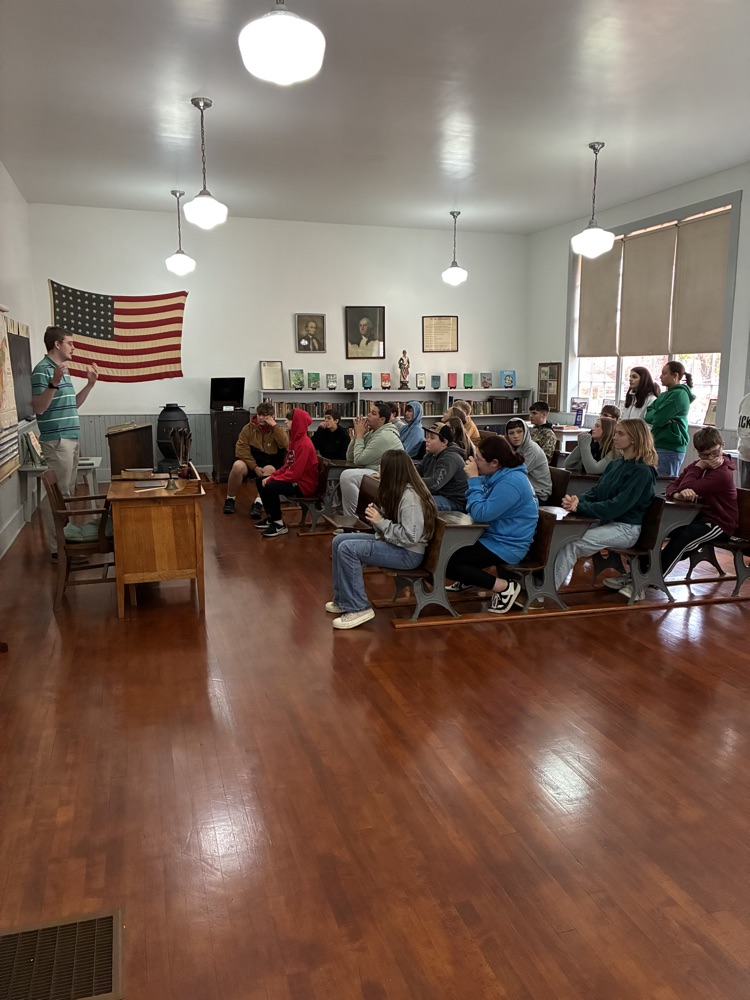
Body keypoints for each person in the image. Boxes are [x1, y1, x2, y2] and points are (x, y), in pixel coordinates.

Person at [605, 426, 738, 592]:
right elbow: (673, 485)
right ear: (697, 452)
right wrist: (677, 494)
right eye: (705, 455)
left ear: (722, 445)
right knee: (657, 530)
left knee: (684, 538)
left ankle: (647, 582)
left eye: (714, 452)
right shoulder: (698, 466)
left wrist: (700, 465)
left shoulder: (722, 473)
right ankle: (637, 575)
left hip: (720, 523)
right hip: (697, 517)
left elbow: (688, 485)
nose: (711, 458)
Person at [327, 450, 437, 629]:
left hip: (408, 554)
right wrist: (377, 517)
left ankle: (359, 607)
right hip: (395, 545)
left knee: (348, 549)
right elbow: (390, 526)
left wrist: (381, 521)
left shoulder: (410, 498)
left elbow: (410, 537)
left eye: (381, 466)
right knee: (339, 541)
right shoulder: (397, 490)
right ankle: (344, 600)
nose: (378, 469)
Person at [554, 419, 658, 595]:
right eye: (615, 432)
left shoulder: (642, 471)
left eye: (620, 433)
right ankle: (540, 583)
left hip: (626, 527)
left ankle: (545, 590)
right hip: (608, 521)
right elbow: (596, 493)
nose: (614, 437)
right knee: (560, 535)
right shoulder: (616, 464)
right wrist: (576, 500)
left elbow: (617, 507)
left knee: (570, 544)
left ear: (634, 438)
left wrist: (580, 507)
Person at [444, 434, 537, 614]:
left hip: (507, 545)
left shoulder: (512, 482)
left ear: (494, 462)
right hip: (492, 536)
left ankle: (504, 587)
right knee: (447, 550)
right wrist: (476, 482)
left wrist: (473, 479)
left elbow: (480, 513)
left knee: (449, 562)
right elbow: (473, 506)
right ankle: (470, 579)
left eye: (478, 459)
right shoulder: (496, 475)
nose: (474, 462)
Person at [31, 326, 99, 558]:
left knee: (67, 494)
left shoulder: (63, 371)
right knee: (58, 496)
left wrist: (89, 385)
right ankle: (58, 550)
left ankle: (67, 544)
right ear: (57, 344)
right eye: (70, 343)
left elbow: (73, 405)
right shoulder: (43, 370)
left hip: (71, 438)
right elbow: (39, 408)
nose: (73, 347)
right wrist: (53, 382)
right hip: (57, 440)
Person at [253, 409, 319, 538]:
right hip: (296, 481)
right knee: (260, 481)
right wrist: (273, 476)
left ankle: (279, 524)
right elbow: (288, 466)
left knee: (271, 487)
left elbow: (295, 474)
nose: (285, 421)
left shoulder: (304, 444)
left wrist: (273, 479)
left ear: (297, 423)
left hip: (304, 485)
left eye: (289, 419)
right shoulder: (295, 441)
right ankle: (272, 517)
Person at [224, 402, 289, 516]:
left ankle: (258, 503)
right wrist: (254, 467)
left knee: (269, 470)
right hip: (251, 462)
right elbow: (241, 449)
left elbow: (285, 444)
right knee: (237, 466)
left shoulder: (277, 429)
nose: (261, 418)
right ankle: (230, 499)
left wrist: (274, 426)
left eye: (265, 415)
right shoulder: (248, 428)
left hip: (269, 461)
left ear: (271, 416)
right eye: (259, 414)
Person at [339, 402, 403, 515]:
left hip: (388, 478)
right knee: (346, 474)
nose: (367, 415)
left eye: (373, 413)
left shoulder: (384, 436)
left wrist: (359, 435)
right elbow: (350, 457)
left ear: (382, 420)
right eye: (369, 412)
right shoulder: (373, 433)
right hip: (375, 472)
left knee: (347, 477)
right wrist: (356, 436)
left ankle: (353, 520)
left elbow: (358, 460)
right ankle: (352, 518)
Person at [644, 362, 695, 476]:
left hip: (670, 448)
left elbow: (657, 419)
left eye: (664, 373)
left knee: (663, 485)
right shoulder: (664, 395)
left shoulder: (679, 394)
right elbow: (648, 415)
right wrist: (658, 415)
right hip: (658, 444)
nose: (660, 377)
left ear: (675, 376)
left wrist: (658, 415)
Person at [416, 422, 468, 511]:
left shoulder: (450, 458)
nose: (427, 440)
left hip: (454, 501)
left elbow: (434, 483)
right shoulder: (431, 454)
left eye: (432, 438)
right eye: (427, 436)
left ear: (444, 442)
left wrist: (410, 480)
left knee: (415, 502)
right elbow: (416, 471)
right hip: (438, 495)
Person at [505, 418, 552, 502]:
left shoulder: (531, 449)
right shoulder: (514, 448)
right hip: (524, 489)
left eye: (519, 431)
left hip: (538, 494)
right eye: (511, 433)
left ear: (525, 432)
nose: (515, 436)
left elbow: (516, 473)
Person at [738, 391, 750, 489]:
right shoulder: (746, 399)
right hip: (744, 454)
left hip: (744, 452)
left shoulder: (746, 399)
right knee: (746, 495)